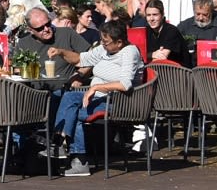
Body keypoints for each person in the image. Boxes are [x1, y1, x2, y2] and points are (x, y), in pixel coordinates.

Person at [49, 19, 145, 177]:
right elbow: (80, 59)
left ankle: (80, 161)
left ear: (119, 42)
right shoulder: (104, 49)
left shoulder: (130, 52)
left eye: (106, 42)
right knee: (70, 96)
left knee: (77, 114)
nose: (103, 44)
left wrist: (95, 87)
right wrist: (61, 51)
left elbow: (125, 84)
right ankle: (58, 142)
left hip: (119, 103)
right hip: (99, 99)